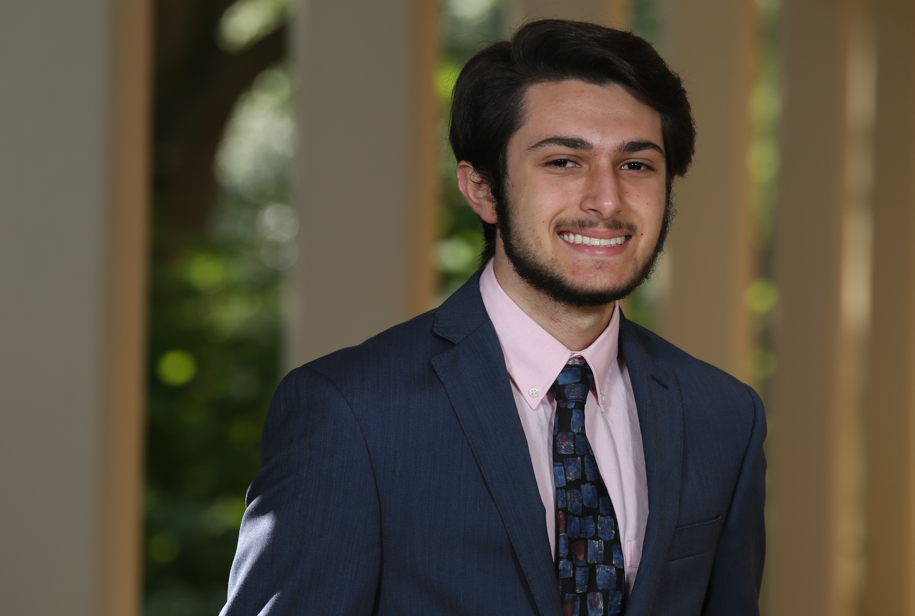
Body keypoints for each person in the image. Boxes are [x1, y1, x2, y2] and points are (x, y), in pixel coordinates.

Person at [221, 19, 765, 616]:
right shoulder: (351, 413)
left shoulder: (724, 417)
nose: (607, 200)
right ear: (481, 189)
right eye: (563, 162)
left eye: (637, 165)